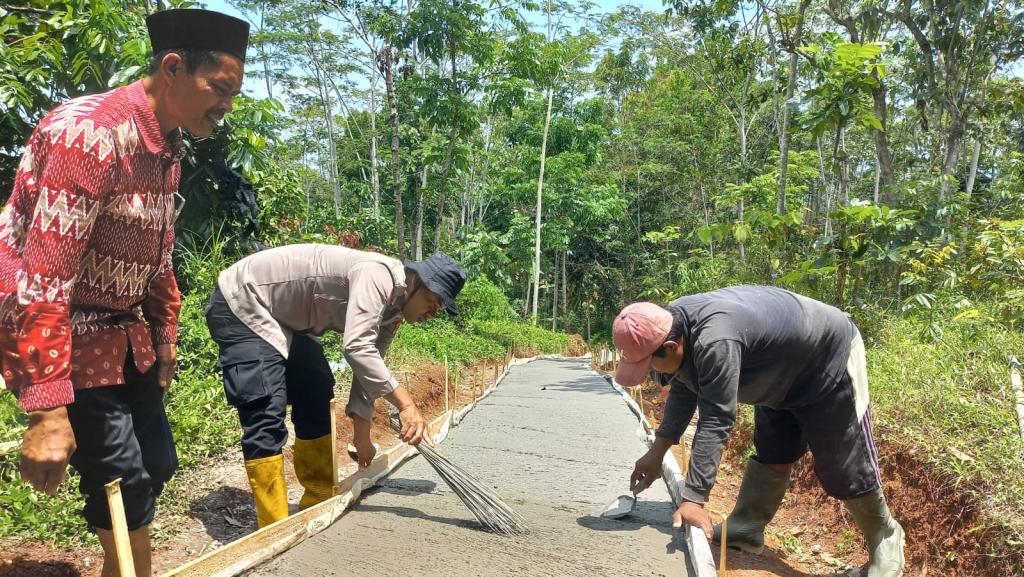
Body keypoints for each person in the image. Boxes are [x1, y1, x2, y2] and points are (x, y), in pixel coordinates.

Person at [0, 8, 248, 576]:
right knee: (122, 476)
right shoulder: (88, 133)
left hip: (124, 331)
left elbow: (158, 254)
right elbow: (44, 277)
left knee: (157, 464)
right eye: (221, 88)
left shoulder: (169, 145)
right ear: (173, 66)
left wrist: (165, 337)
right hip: (65, 328)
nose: (227, 106)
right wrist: (48, 409)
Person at [614, 286, 905, 577]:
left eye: (652, 364)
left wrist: (694, 498)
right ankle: (747, 527)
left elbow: (716, 419)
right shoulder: (669, 321)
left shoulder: (716, 339)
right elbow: (683, 387)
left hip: (826, 357)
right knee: (773, 448)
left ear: (672, 345)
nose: (653, 373)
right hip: (777, 366)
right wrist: (657, 452)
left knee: (844, 463)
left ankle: (885, 537)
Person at [204, 245, 466, 527]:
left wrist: (362, 438)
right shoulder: (378, 276)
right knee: (266, 409)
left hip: (284, 319)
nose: (432, 312)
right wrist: (406, 405)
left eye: (439, 308)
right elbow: (356, 348)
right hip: (245, 302)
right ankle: (275, 526)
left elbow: (369, 367)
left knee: (317, 386)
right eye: (432, 300)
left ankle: (317, 500)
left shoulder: (393, 313)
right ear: (414, 282)